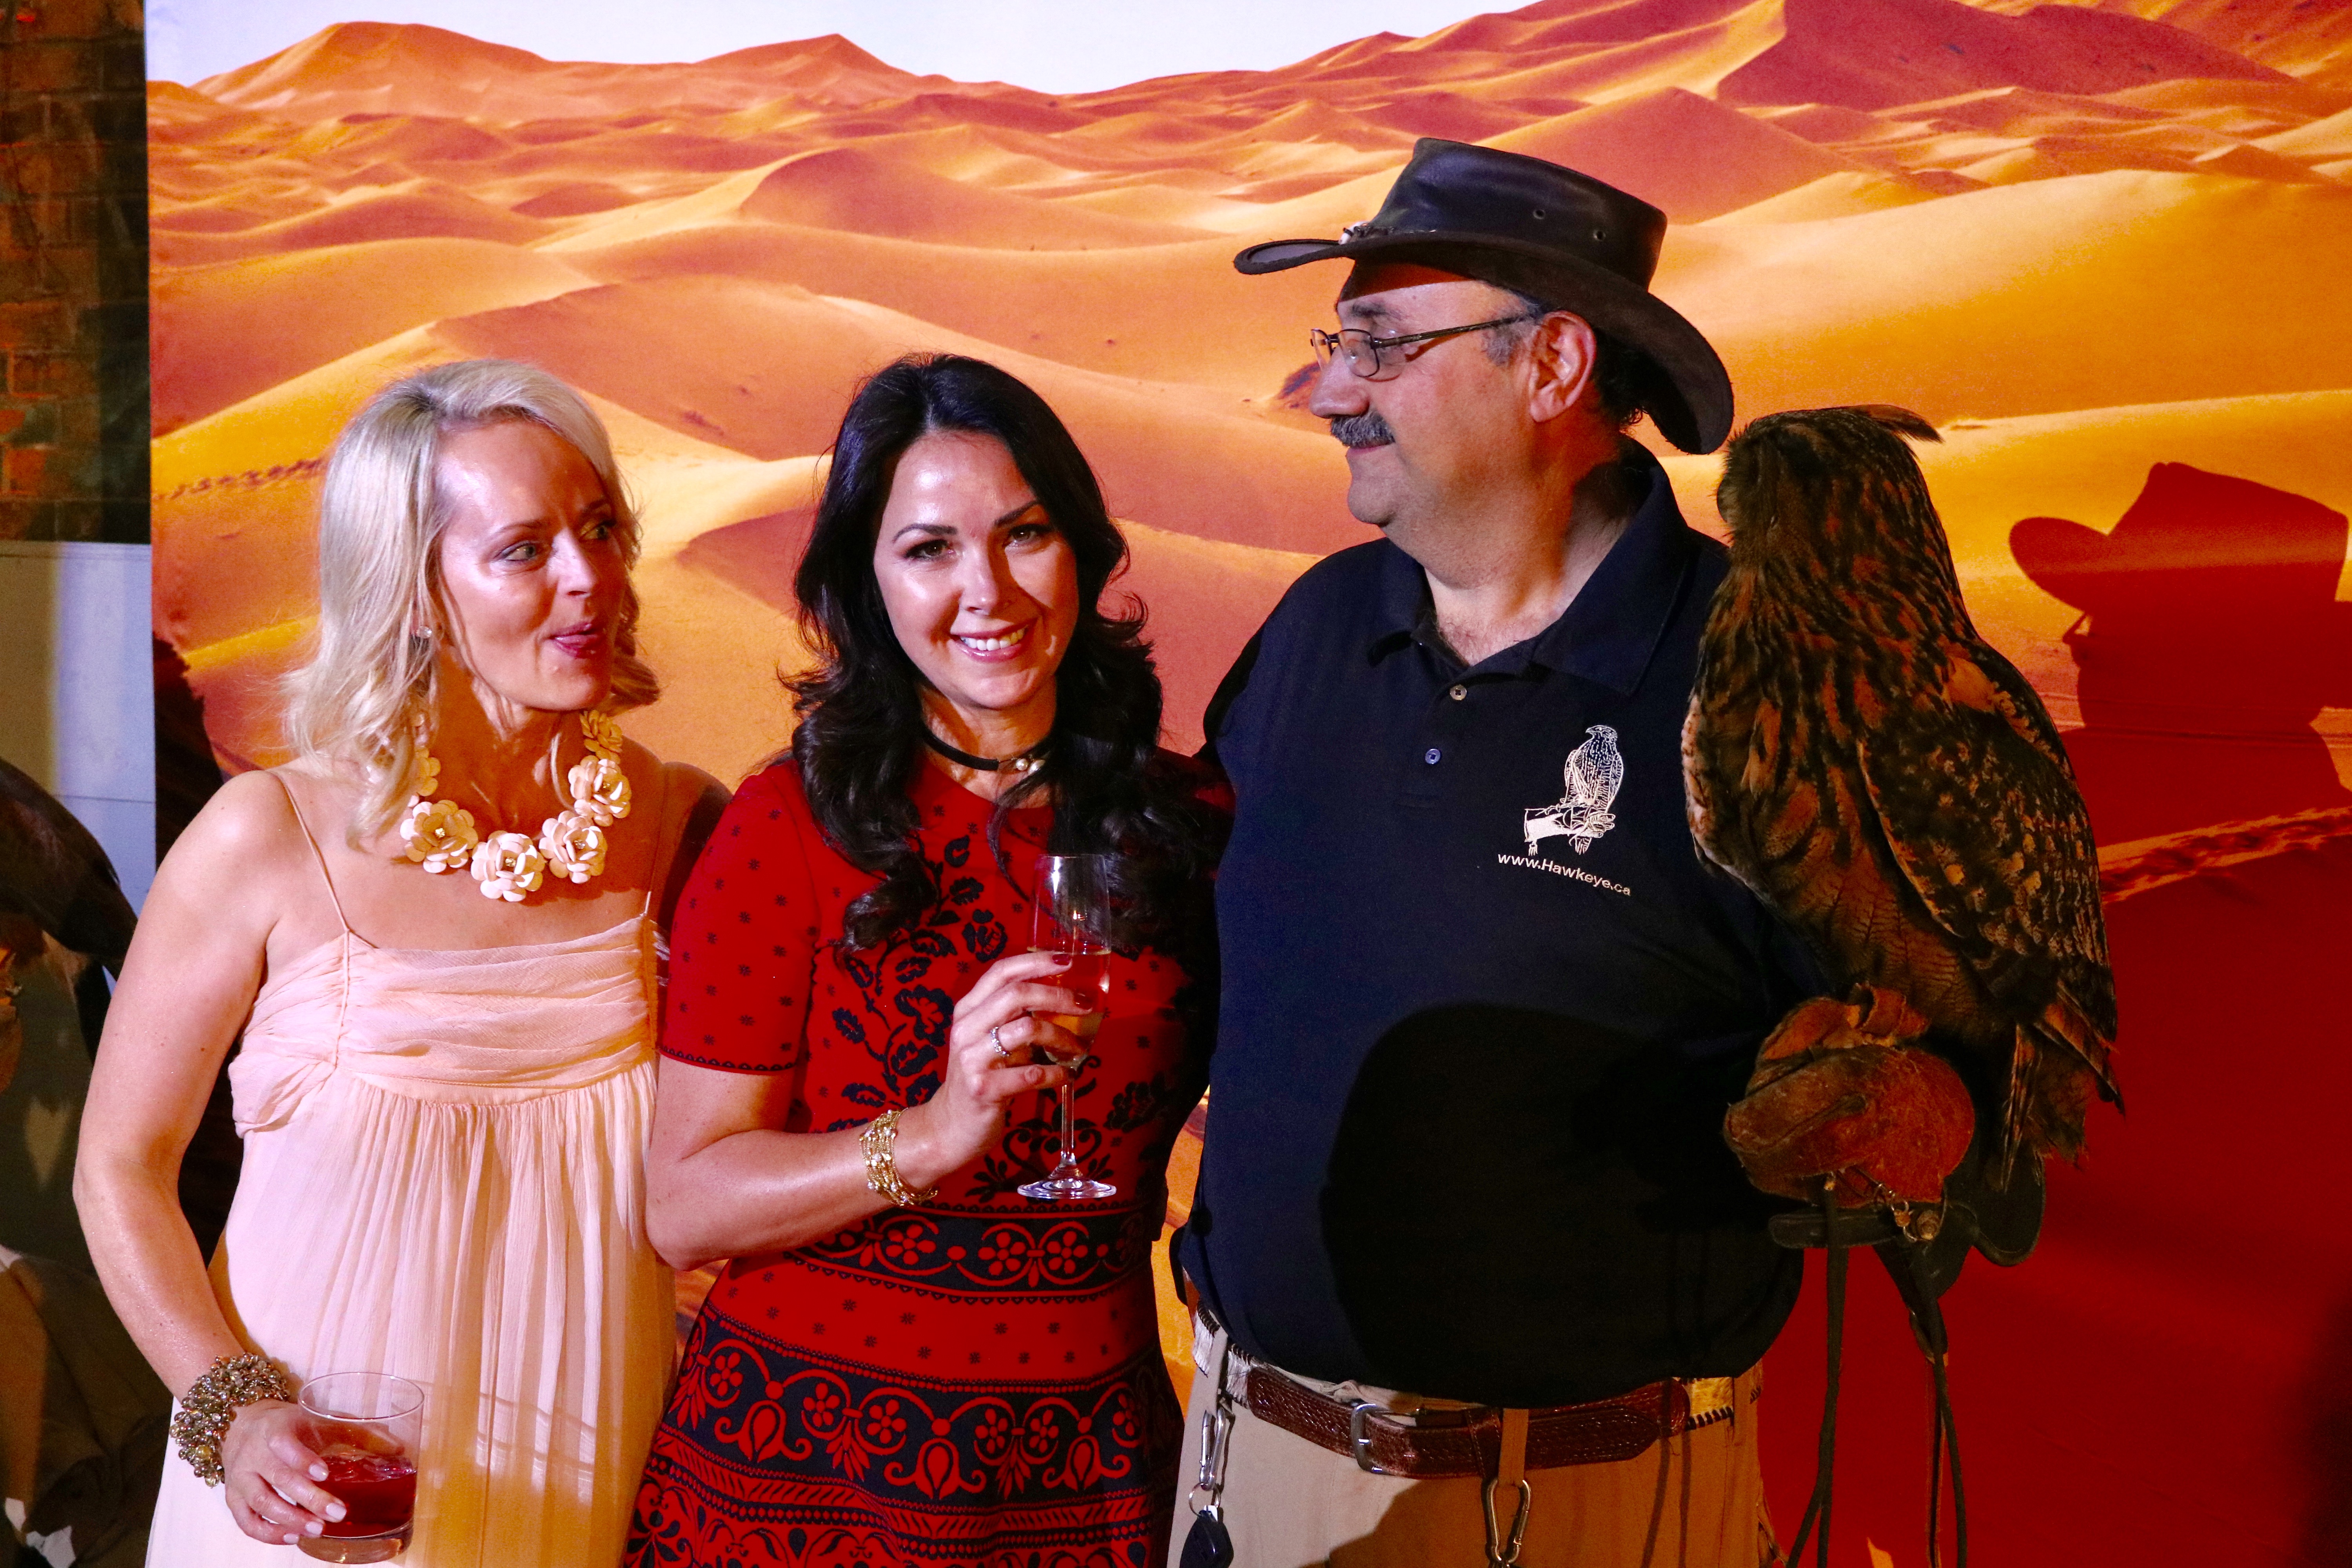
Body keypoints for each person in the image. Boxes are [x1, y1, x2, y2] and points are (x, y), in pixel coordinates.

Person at [1169, 139, 1831, 1566]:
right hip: (1248, 1473)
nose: (1331, 391)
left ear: (1553, 366)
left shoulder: (1759, 683)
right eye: (1336, 345)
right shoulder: (1317, 628)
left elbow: (1910, 1053)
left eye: (1380, 345)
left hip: (1590, 1507)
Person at [74, 360, 726, 1565]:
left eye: (599, 529)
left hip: (585, 1480)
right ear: (415, 592)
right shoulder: (268, 837)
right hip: (316, 1494)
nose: (590, 576)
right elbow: (120, 1165)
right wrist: (234, 1414)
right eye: (524, 550)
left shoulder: (682, 829)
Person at [624, 354, 1224, 1568]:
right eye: (929, 549)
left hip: (1089, 1473)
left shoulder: (1190, 825)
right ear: (867, 582)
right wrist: (937, 1134)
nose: (987, 590)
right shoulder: (789, 828)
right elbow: (685, 1209)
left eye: (1025, 534)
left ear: (1083, 550)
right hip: (804, 1477)